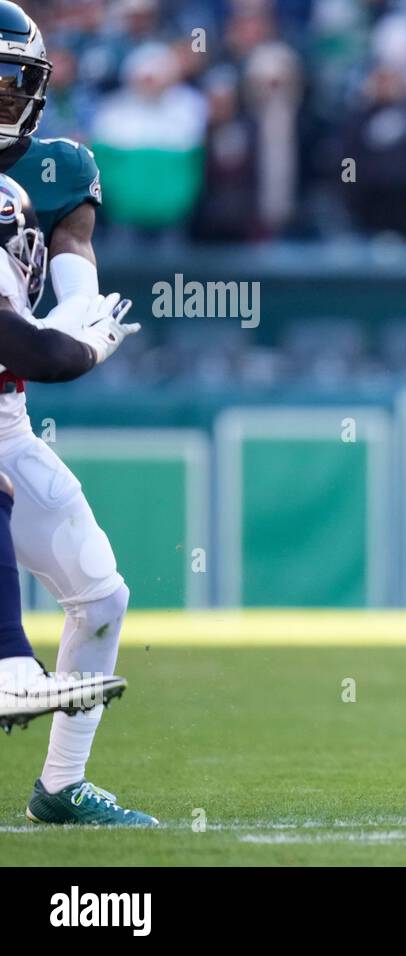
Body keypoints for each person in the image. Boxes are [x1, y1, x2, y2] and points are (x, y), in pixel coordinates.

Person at [0, 1, 150, 825]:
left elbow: (72, 263)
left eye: (5, 85)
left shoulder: (55, 170)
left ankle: (60, 789)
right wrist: (73, 347)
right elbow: (45, 349)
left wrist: (79, 315)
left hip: (7, 416)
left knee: (101, 596)